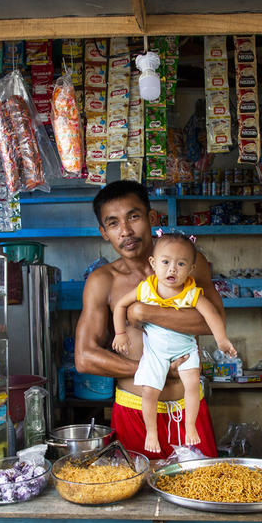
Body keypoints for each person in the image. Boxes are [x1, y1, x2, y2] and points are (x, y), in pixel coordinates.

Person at [75, 180, 224, 459]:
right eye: (113, 223)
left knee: (202, 482)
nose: (126, 231)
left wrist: (144, 313)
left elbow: (213, 322)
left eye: (133, 217)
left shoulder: (189, 265)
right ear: (104, 232)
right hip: (134, 410)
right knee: (138, 486)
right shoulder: (103, 280)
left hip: (188, 408)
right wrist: (154, 370)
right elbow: (84, 358)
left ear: (152, 218)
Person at [111, 230, 236, 454]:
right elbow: (120, 305)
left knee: (192, 385)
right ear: (153, 263)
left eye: (181, 264)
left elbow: (212, 316)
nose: (172, 269)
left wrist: (222, 340)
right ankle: (151, 432)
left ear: (191, 269)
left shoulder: (191, 293)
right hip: (156, 355)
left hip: (185, 351)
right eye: (166, 262)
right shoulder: (146, 289)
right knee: (149, 392)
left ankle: (190, 426)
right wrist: (120, 333)